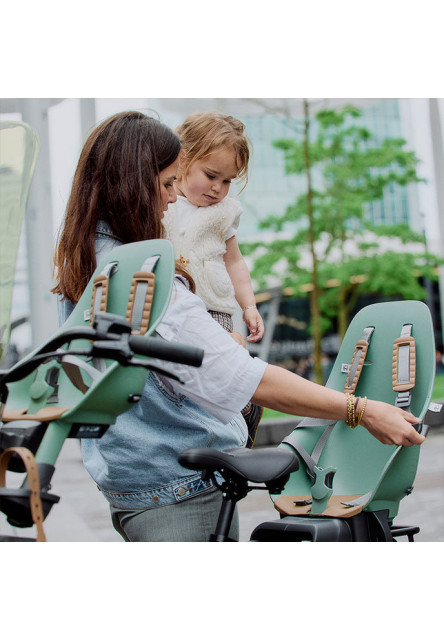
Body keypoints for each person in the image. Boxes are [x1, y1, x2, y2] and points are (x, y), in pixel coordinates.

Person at [52, 111, 425, 543]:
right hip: (179, 487)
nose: (174, 199)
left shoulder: (86, 264)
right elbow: (240, 377)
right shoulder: (145, 280)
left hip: (129, 478)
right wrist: (362, 409)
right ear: (135, 181)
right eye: (168, 183)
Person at [162, 112, 264, 443]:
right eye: (211, 175)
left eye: (228, 180)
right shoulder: (164, 200)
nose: (218, 188)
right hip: (173, 308)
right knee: (188, 384)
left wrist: (248, 306)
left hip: (215, 307)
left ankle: (245, 415)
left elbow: (234, 262)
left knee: (224, 373)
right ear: (183, 158)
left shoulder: (224, 213)